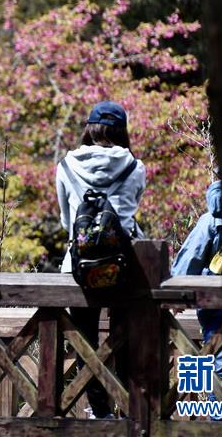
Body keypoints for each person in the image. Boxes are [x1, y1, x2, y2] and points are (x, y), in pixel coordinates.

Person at [56, 101, 146, 419]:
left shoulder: (66, 165)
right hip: (124, 266)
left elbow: (68, 225)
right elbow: (130, 216)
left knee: (84, 341)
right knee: (125, 337)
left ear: (89, 128)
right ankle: (128, 409)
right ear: (122, 131)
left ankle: (99, 412)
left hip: (80, 268)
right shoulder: (135, 167)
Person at [171, 180, 222, 418]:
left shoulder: (211, 221)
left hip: (217, 310)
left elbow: (186, 266)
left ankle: (220, 426)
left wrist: (175, 297)